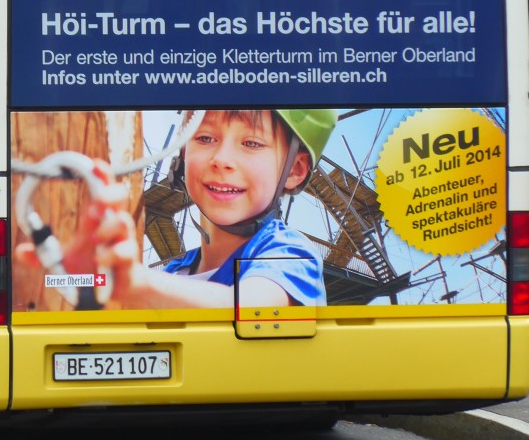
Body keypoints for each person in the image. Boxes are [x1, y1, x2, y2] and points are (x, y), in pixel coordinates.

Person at [29, 108, 335, 310]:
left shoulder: (288, 253)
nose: (221, 158)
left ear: (294, 169)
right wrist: (67, 276)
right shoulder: (175, 272)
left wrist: (136, 281)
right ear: (183, 153)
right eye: (204, 138)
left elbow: (253, 308)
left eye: (252, 143)